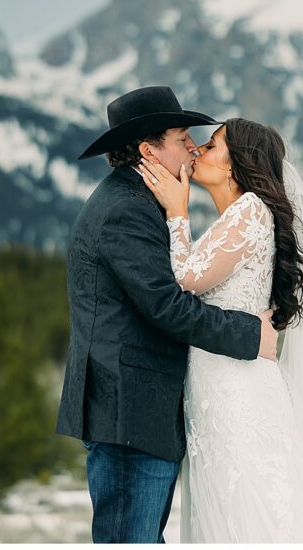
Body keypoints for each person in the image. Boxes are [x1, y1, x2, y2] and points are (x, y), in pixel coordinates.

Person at [57, 86, 279, 543]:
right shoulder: (125, 211)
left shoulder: (137, 202)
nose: (193, 148)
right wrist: (250, 334)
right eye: (182, 138)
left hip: (139, 412)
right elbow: (166, 305)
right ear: (147, 149)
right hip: (128, 413)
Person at [137, 117, 303, 541]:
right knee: (231, 504)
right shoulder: (234, 218)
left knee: (253, 503)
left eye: (210, 146)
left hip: (237, 390)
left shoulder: (249, 211)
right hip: (218, 384)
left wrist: (177, 213)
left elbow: (188, 276)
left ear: (236, 164)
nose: (197, 152)